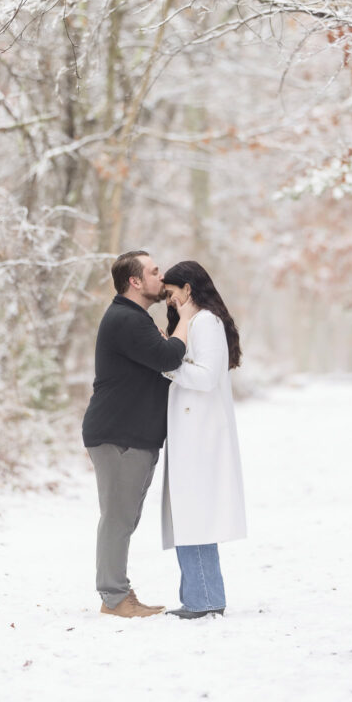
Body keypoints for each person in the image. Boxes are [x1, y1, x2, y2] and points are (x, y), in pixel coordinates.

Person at [82, 250, 196, 618]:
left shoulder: (134, 319)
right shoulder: (125, 319)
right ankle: (114, 598)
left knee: (124, 517)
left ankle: (116, 593)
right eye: (153, 271)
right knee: (118, 517)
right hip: (120, 434)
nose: (161, 278)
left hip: (133, 434)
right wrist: (188, 318)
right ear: (134, 281)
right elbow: (168, 358)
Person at [161, 261, 246, 619]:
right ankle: (200, 595)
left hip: (202, 434)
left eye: (171, 292)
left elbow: (207, 377)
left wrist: (165, 364)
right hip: (191, 432)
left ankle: (205, 597)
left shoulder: (207, 323)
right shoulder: (194, 323)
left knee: (194, 511)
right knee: (188, 511)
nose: (167, 299)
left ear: (188, 290)